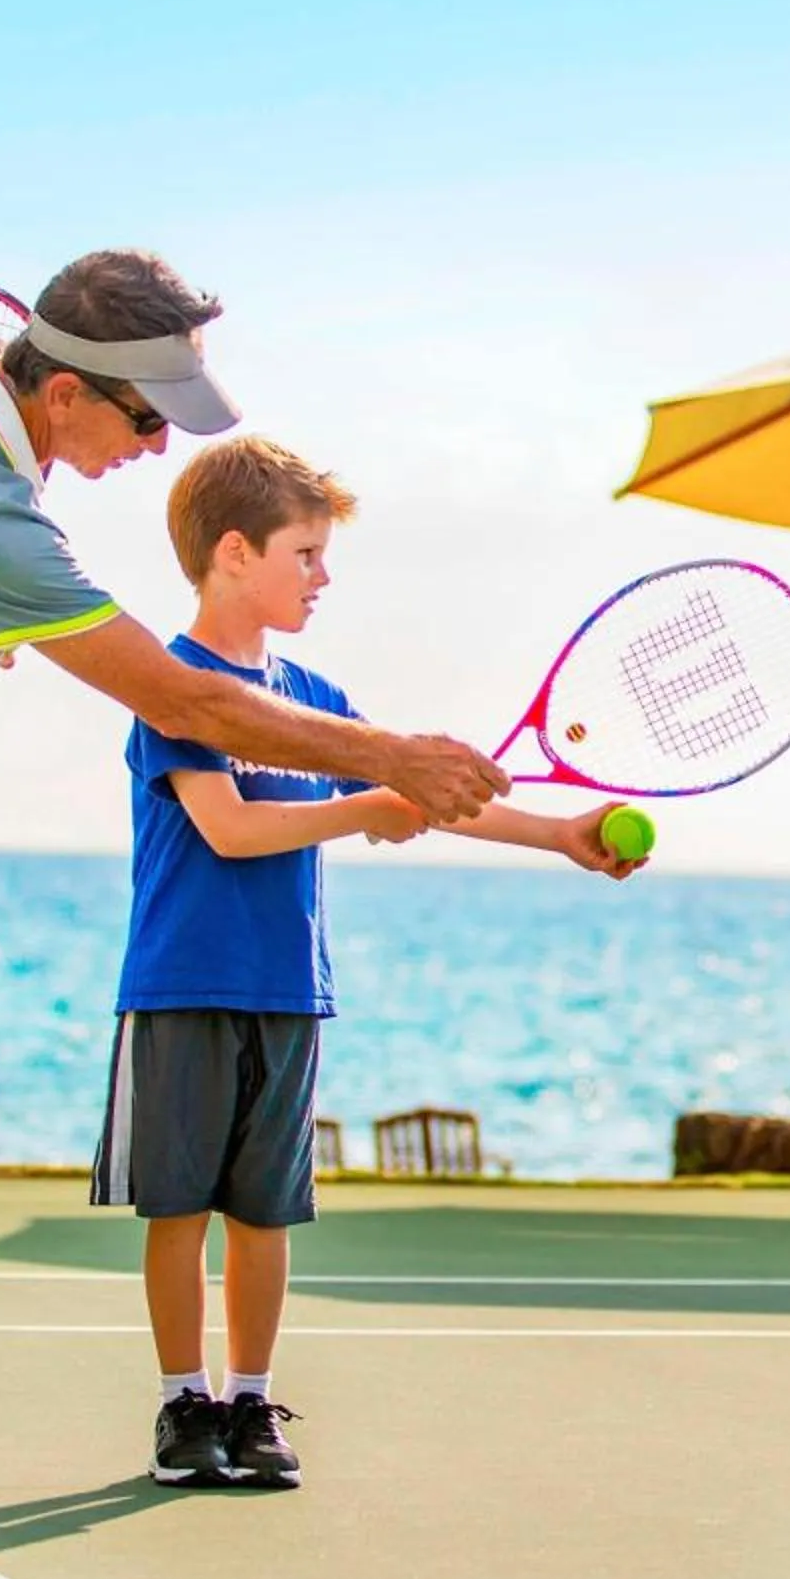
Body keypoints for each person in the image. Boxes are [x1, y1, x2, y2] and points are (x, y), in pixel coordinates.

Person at [0, 250, 507, 1477]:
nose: (159, 446)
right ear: (64, 393)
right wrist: (391, 754)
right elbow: (187, 701)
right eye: (145, 416)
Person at [95, 435, 639, 1489]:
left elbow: (428, 791)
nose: (323, 576)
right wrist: (365, 807)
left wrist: (559, 834)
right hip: (181, 980)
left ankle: (249, 1400)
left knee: (265, 1210)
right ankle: (182, 1403)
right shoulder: (178, 691)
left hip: (289, 986)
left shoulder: (316, 695)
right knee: (179, 1208)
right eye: (305, 553)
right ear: (234, 553)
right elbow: (230, 830)